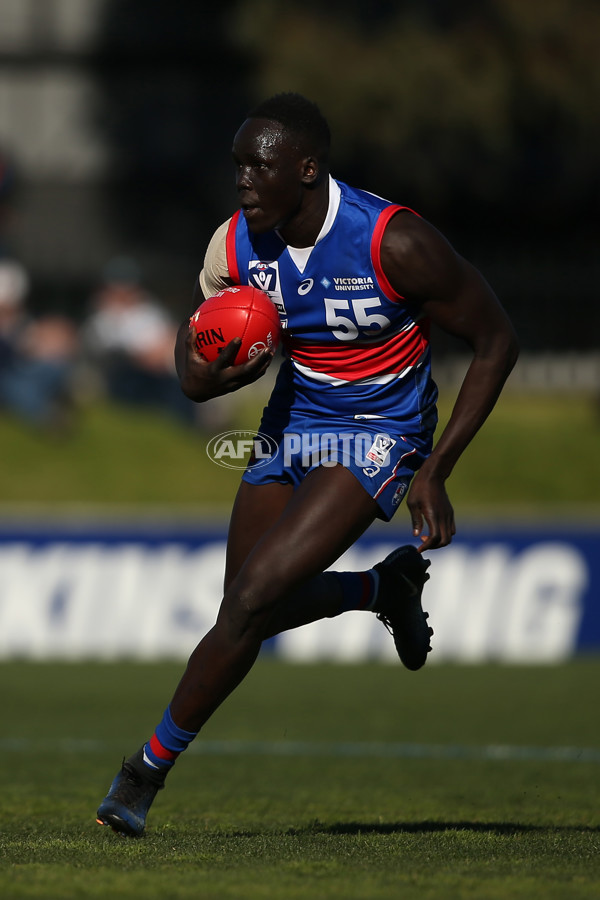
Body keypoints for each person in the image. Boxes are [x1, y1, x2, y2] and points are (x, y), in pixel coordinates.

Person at [96, 93, 519, 836]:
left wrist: (437, 469)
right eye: (237, 166)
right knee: (243, 609)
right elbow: (191, 374)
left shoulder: (395, 242)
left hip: (380, 428)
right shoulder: (232, 248)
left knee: (255, 596)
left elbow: (496, 341)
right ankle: (380, 588)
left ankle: (142, 775)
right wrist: (217, 367)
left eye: (259, 165)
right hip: (294, 420)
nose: (243, 180)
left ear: (308, 168)